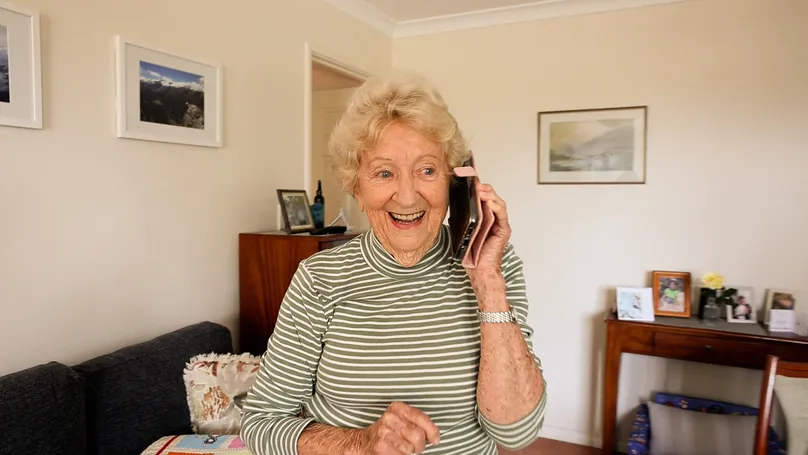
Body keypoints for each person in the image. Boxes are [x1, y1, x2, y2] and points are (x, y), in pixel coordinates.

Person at [240, 71, 547, 455]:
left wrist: (487, 282)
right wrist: (360, 443)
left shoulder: (494, 266)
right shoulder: (319, 279)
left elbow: (517, 433)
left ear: (454, 183)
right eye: (384, 173)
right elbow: (261, 421)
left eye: (427, 170)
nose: (406, 197)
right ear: (357, 187)